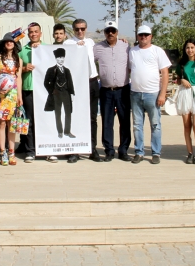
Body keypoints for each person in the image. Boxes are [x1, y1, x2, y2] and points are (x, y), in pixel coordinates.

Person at [128, 25, 171, 164]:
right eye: (141, 35)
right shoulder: (132, 51)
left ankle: (156, 152)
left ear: (151, 36)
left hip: (152, 94)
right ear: (137, 36)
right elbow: (130, 69)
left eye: (146, 35)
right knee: (137, 125)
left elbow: (165, 73)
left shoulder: (157, 51)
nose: (143, 37)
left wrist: (162, 94)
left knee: (155, 124)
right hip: (135, 93)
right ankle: (139, 152)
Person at [65, 18, 102, 163]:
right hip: (77, 84)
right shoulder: (68, 43)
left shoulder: (91, 42)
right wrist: (75, 48)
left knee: (92, 117)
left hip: (92, 82)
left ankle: (92, 148)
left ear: (86, 29)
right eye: (77, 29)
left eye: (82, 28)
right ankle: (76, 150)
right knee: (77, 118)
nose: (80, 31)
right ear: (73, 30)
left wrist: (122, 40)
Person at [94, 21, 132, 162]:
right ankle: (109, 150)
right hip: (106, 90)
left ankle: (123, 150)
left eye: (113, 31)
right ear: (104, 32)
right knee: (107, 121)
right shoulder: (97, 48)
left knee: (125, 121)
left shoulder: (126, 46)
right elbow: (85, 60)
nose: (110, 33)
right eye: (108, 31)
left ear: (117, 32)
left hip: (123, 90)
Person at [19, 23, 56, 162]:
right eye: (31, 32)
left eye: (36, 32)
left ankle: (48, 149)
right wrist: (24, 68)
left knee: (46, 120)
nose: (33, 34)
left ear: (41, 33)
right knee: (29, 122)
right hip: (28, 91)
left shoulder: (48, 48)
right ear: (28, 34)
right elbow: (17, 69)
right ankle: (30, 151)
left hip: (45, 92)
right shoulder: (23, 51)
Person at [0, 33, 24, 166]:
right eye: (7, 41)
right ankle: (2, 152)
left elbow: (18, 78)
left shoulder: (18, 60)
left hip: (13, 95)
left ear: (15, 44)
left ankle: (11, 152)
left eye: (12, 41)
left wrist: (19, 96)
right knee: (1, 124)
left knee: (12, 125)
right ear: (3, 44)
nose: (9, 43)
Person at [175, 39, 195, 164]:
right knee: (187, 126)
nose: (190, 50)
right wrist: (182, 80)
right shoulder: (182, 64)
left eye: (192, 47)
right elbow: (177, 78)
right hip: (185, 93)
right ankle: (189, 152)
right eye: (187, 48)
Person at [44, 48, 75, 140]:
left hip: (66, 93)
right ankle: (60, 132)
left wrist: (71, 93)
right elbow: (46, 82)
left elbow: (70, 82)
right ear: (56, 58)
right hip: (56, 94)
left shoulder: (67, 70)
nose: (61, 59)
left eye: (62, 57)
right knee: (58, 113)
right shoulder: (51, 70)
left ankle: (67, 131)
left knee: (68, 113)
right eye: (59, 57)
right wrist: (52, 91)